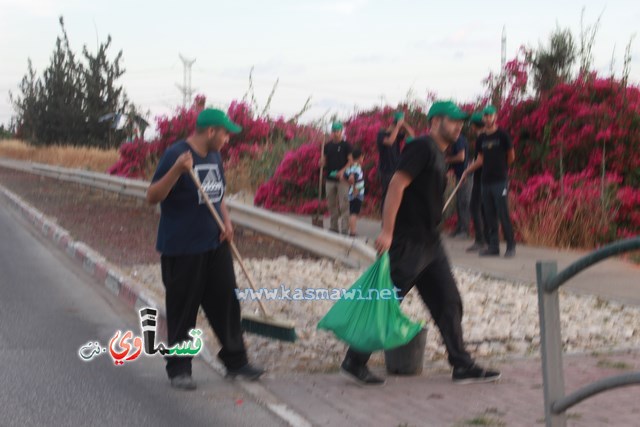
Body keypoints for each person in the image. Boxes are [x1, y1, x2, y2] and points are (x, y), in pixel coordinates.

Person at [340, 101, 501, 386]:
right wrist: (387, 232)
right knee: (386, 303)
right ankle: (355, 359)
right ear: (436, 120)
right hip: (408, 242)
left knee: (449, 301)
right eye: (453, 121)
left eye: (461, 122)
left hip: (430, 242)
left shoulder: (439, 153)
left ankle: (461, 365)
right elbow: (396, 185)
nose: (459, 126)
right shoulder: (421, 147)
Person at [146, 108, 264, 390]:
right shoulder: (176, 155)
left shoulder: (214, 156)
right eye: (225, 133)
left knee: (226, 304)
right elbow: (152, 196)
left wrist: (227, 221)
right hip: (183, 248)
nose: (227, 139)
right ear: (211, 131)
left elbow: (217, 194)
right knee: (183, 311)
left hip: (214, 243)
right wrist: (177, 170)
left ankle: (236, 361)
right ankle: (179, 369)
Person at [462, 105, 516, 258]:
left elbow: (511, 156)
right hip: (485, 181)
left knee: (503, 213)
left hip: (500, 181)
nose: (487, 118)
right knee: (489, 214)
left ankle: (510, 246)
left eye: (490, 115)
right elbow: (480, 159)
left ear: (495, 117)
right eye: (485, 116)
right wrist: (467, 170)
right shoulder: (481, 139)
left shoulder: (503, 135)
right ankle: (493, 246)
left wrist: (502, 168)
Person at [320, 122, 353, 234]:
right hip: (330, 179)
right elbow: (324, 161)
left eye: (337, 131)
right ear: (331, 132)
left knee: (344, 204)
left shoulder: (346, 145)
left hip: (343, 179)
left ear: (341, 132)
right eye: (333, 131)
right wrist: (321, 163)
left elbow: (351, 161)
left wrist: (342, 171)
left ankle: (344, 229)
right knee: (331, 204)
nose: (335, 133)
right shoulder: (327, 146)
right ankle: (334, 227)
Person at [376, 111, 415, 206]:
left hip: (396, 169)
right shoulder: (381, 134)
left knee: (397, 195)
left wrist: (404, 124)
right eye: (397, 127)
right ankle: (384, 218)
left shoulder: (397, 135)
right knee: (386, 195)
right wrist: (398, 126)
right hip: (386, 170)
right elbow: (390, 142)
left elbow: (412, 136)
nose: (398, 130)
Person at [465, 112, 490, 252]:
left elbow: (481, 160)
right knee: (483, 209)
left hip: (481, 178)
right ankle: (486, 239)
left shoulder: (481, 138)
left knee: (475, 207)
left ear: (474, 126)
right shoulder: (488, 136)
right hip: (487, 178)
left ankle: (480, 240)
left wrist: (467, 170)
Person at [445, 134, 471, 238]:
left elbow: (461, 157)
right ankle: (460, 228)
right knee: (459, 202)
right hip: (459, 175)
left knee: (464, 202)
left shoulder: (459, 139)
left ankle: (464, 230)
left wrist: (447, 159)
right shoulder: (453, 141)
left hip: (465, 175)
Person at [343, 148, 365, 237]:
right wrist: (354, 187)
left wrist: (350, 183)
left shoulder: (351, 167)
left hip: (351, 192)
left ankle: (351, 230)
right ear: (360, 157)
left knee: (352, 211)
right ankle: (353, 232)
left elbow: (345, 175)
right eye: (363, 157)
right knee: (354, 213)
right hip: (357, 193)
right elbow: (352, 177)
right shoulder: (357, 167)